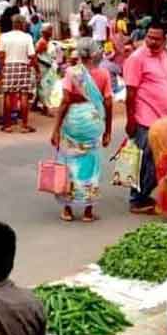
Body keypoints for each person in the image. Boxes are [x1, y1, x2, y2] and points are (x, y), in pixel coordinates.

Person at [51, 39, 113, 222]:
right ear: (95, 53)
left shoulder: (72, 72)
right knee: (91, 164)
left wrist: (55, 129)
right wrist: (108, 130)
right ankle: (87, 211)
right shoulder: (103, 74)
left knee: (69, 162)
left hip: (73, 121)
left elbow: (65, 101)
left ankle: (68, 210)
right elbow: (108, 102)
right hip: (93, 120)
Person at [123, 20, 167, 213]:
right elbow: (130, 92)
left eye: (157, 39)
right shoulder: (137, 58)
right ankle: (137, 199)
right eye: (150, 37)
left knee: (159, 160)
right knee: (146, 160)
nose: (153, 42)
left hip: (163, 118)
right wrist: (130, 120)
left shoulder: (163, 55)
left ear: (164, 40)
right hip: (145, 118)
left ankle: (143, 195)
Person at [0, 14, 37, 133]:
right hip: (23, 65)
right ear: (22, 24)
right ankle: (24, 125)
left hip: (9, 65)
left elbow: (1, 55)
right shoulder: (27, 37)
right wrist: (31, 66)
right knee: (24, 95)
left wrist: (1, 69)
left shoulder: (4, 36)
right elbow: (32, 55)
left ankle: (8, 125)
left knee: (8, 95)